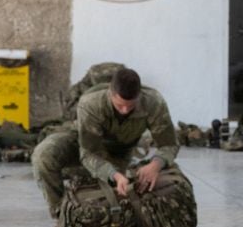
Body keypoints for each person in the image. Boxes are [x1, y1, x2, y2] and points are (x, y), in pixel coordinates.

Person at [32, 67, 181, 218]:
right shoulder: (91, 103)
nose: (124, 110)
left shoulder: (153, 102)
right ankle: (62, 217)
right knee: (43, 156)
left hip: (119, 152)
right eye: (119, 105)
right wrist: (114, 174)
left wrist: (156, 165)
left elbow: (169, 144)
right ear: (110, 93)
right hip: (83, 141)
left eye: (130, 106)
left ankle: (82, 183)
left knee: (113, 199)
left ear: (139, 96)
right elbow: (89, 152)